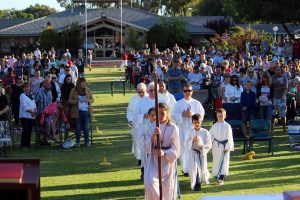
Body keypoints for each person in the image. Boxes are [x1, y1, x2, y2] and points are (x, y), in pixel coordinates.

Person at [144, 103, 180, 199]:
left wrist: (165, 153)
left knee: (166, 188)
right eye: (157, 113)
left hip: (167, 162)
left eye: (162, 113)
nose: (159, 116)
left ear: (167, 114)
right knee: (150, 183)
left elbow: (176, 149)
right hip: (153, 160)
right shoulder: (152, 127)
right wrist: (154, 135)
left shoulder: (173, 128)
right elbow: (146, 146)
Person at [172, 84, 205, 176]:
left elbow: (201, 115)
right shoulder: (178, 103)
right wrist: (182, 114)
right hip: (182, 129)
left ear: (192, 92)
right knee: (183, 149)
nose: (187, 93)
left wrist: (193, 115)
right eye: (185, 91)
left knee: (193, 148)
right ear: (183, 92)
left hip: (193, 130)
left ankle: (194, 167)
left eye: (189, 91)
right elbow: (173, 114)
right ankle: (185, 169)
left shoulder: (197, 103)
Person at [185, 114, 211, 191]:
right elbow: (186, 143)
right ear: (192, 122)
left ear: (201, 122)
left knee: (202, 168)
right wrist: (192, 140)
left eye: (198, 122)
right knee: (194, 168)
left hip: (201, 153)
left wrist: (202, 147)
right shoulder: (189, 132)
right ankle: (195, 183)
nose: (197, 124)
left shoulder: (205, 132)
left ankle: (202, 179)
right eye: (195, 122)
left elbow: (209, 144)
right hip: (193, 153)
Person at [209, 108, 234, 185]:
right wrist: (207, 144)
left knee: (224, 161)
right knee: (216, 161)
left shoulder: (227, 126)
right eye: (218, 116)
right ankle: (217, 175)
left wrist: (227, 147)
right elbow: (210, 136)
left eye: (221, 116)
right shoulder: (214, 126)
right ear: (216, 116)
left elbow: (229, 137)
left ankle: (222, 177)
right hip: (216, 146)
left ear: (225, 116)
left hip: (224, 146)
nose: (220, 117)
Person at [126, 83, 148, 168]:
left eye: (143, 92)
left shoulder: (148, 98)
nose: (141, 94)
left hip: (146, 124)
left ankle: (144, 159)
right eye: (139, 92)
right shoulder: (133, 99)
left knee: (145, 143)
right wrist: (130, 120)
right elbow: (129, 111)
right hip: (135, 124)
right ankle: (139, 158)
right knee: (136, 142)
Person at [69, 77, 94, 147]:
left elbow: (92, 99)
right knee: (78, 127)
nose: (83, 84)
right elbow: (70, 101)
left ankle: (87, 142)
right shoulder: (73, 90)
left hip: (86, 111)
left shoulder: (88, 90)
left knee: (86, 127)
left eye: (84, 82)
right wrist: (77, 101)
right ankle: (78, 142)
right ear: (78, 83)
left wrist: (87, 100)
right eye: (82, 82)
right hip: (77, 112)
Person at [19, 83, 37, 149]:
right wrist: (31, 112)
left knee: (29, 131)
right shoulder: (22, 95)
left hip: (31, 116)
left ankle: (28, 144)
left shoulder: (31, 95)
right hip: (24, 116)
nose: (27, 88)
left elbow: (34, 104)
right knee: (25, 130)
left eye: (28, 87)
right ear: (23, 88)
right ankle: (23, 145)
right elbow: (24, 106)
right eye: (26, 87)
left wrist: (34, 111)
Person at [271, 66, 288, 132]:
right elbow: (272, 87)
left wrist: (277, 88)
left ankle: (284, 128)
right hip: (275, 97)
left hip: (283, 97)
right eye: (277, 70)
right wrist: (280, 87)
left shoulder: (284, 77)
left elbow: (285, 87)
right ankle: (272, 128)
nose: (278, 71)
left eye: (279, 70)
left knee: (283, 114)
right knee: (274, 113)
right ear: (274, 71)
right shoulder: (272, 78)